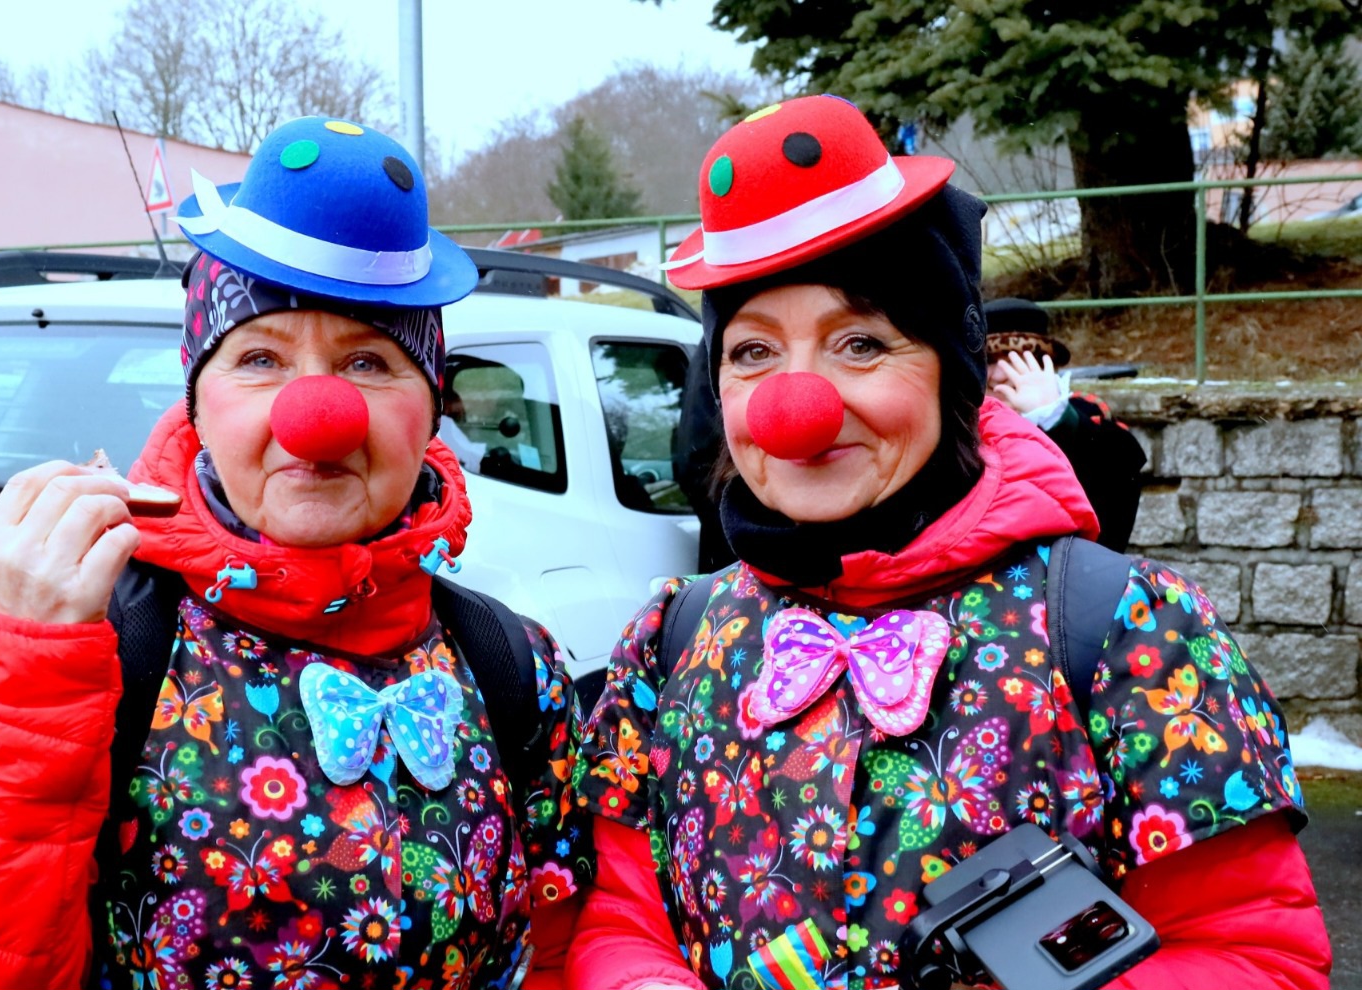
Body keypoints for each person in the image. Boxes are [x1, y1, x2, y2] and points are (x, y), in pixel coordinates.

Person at [0, 118, 592, 990]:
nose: (314, 413)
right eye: (258, 358)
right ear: (197, 400)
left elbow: (551, 953)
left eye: (369, 363)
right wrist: (24, 690)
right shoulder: (74, 633)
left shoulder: (512, 662)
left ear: (431, 406)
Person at [566, 95, 1327, 990]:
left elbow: (1251, 952)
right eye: (752, 353)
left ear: (951, 372)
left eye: (860, 343)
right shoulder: (672, 640)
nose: (795, 405)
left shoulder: (1126, 630)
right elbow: (620, 915)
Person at [985, 297, 1147, 551]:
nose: (998, 375)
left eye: (1016, 359)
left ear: (1045, 364)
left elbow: (1120, 473)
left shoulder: (1087, 420)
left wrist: (1054, 418)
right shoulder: (955, 427)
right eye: (987, 361)